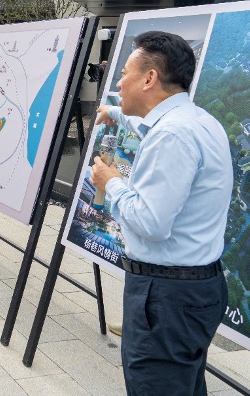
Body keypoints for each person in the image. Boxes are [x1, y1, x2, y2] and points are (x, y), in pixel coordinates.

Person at [89, 31, 233, 396]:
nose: (118, 82)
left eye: (124, 73)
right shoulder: (197, 120)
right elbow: (146, 124)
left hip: (166, 297)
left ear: (149, 78)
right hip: (193, 290)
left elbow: (150, 223)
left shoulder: (171, 136)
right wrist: (114, 113)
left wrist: (110, 182)